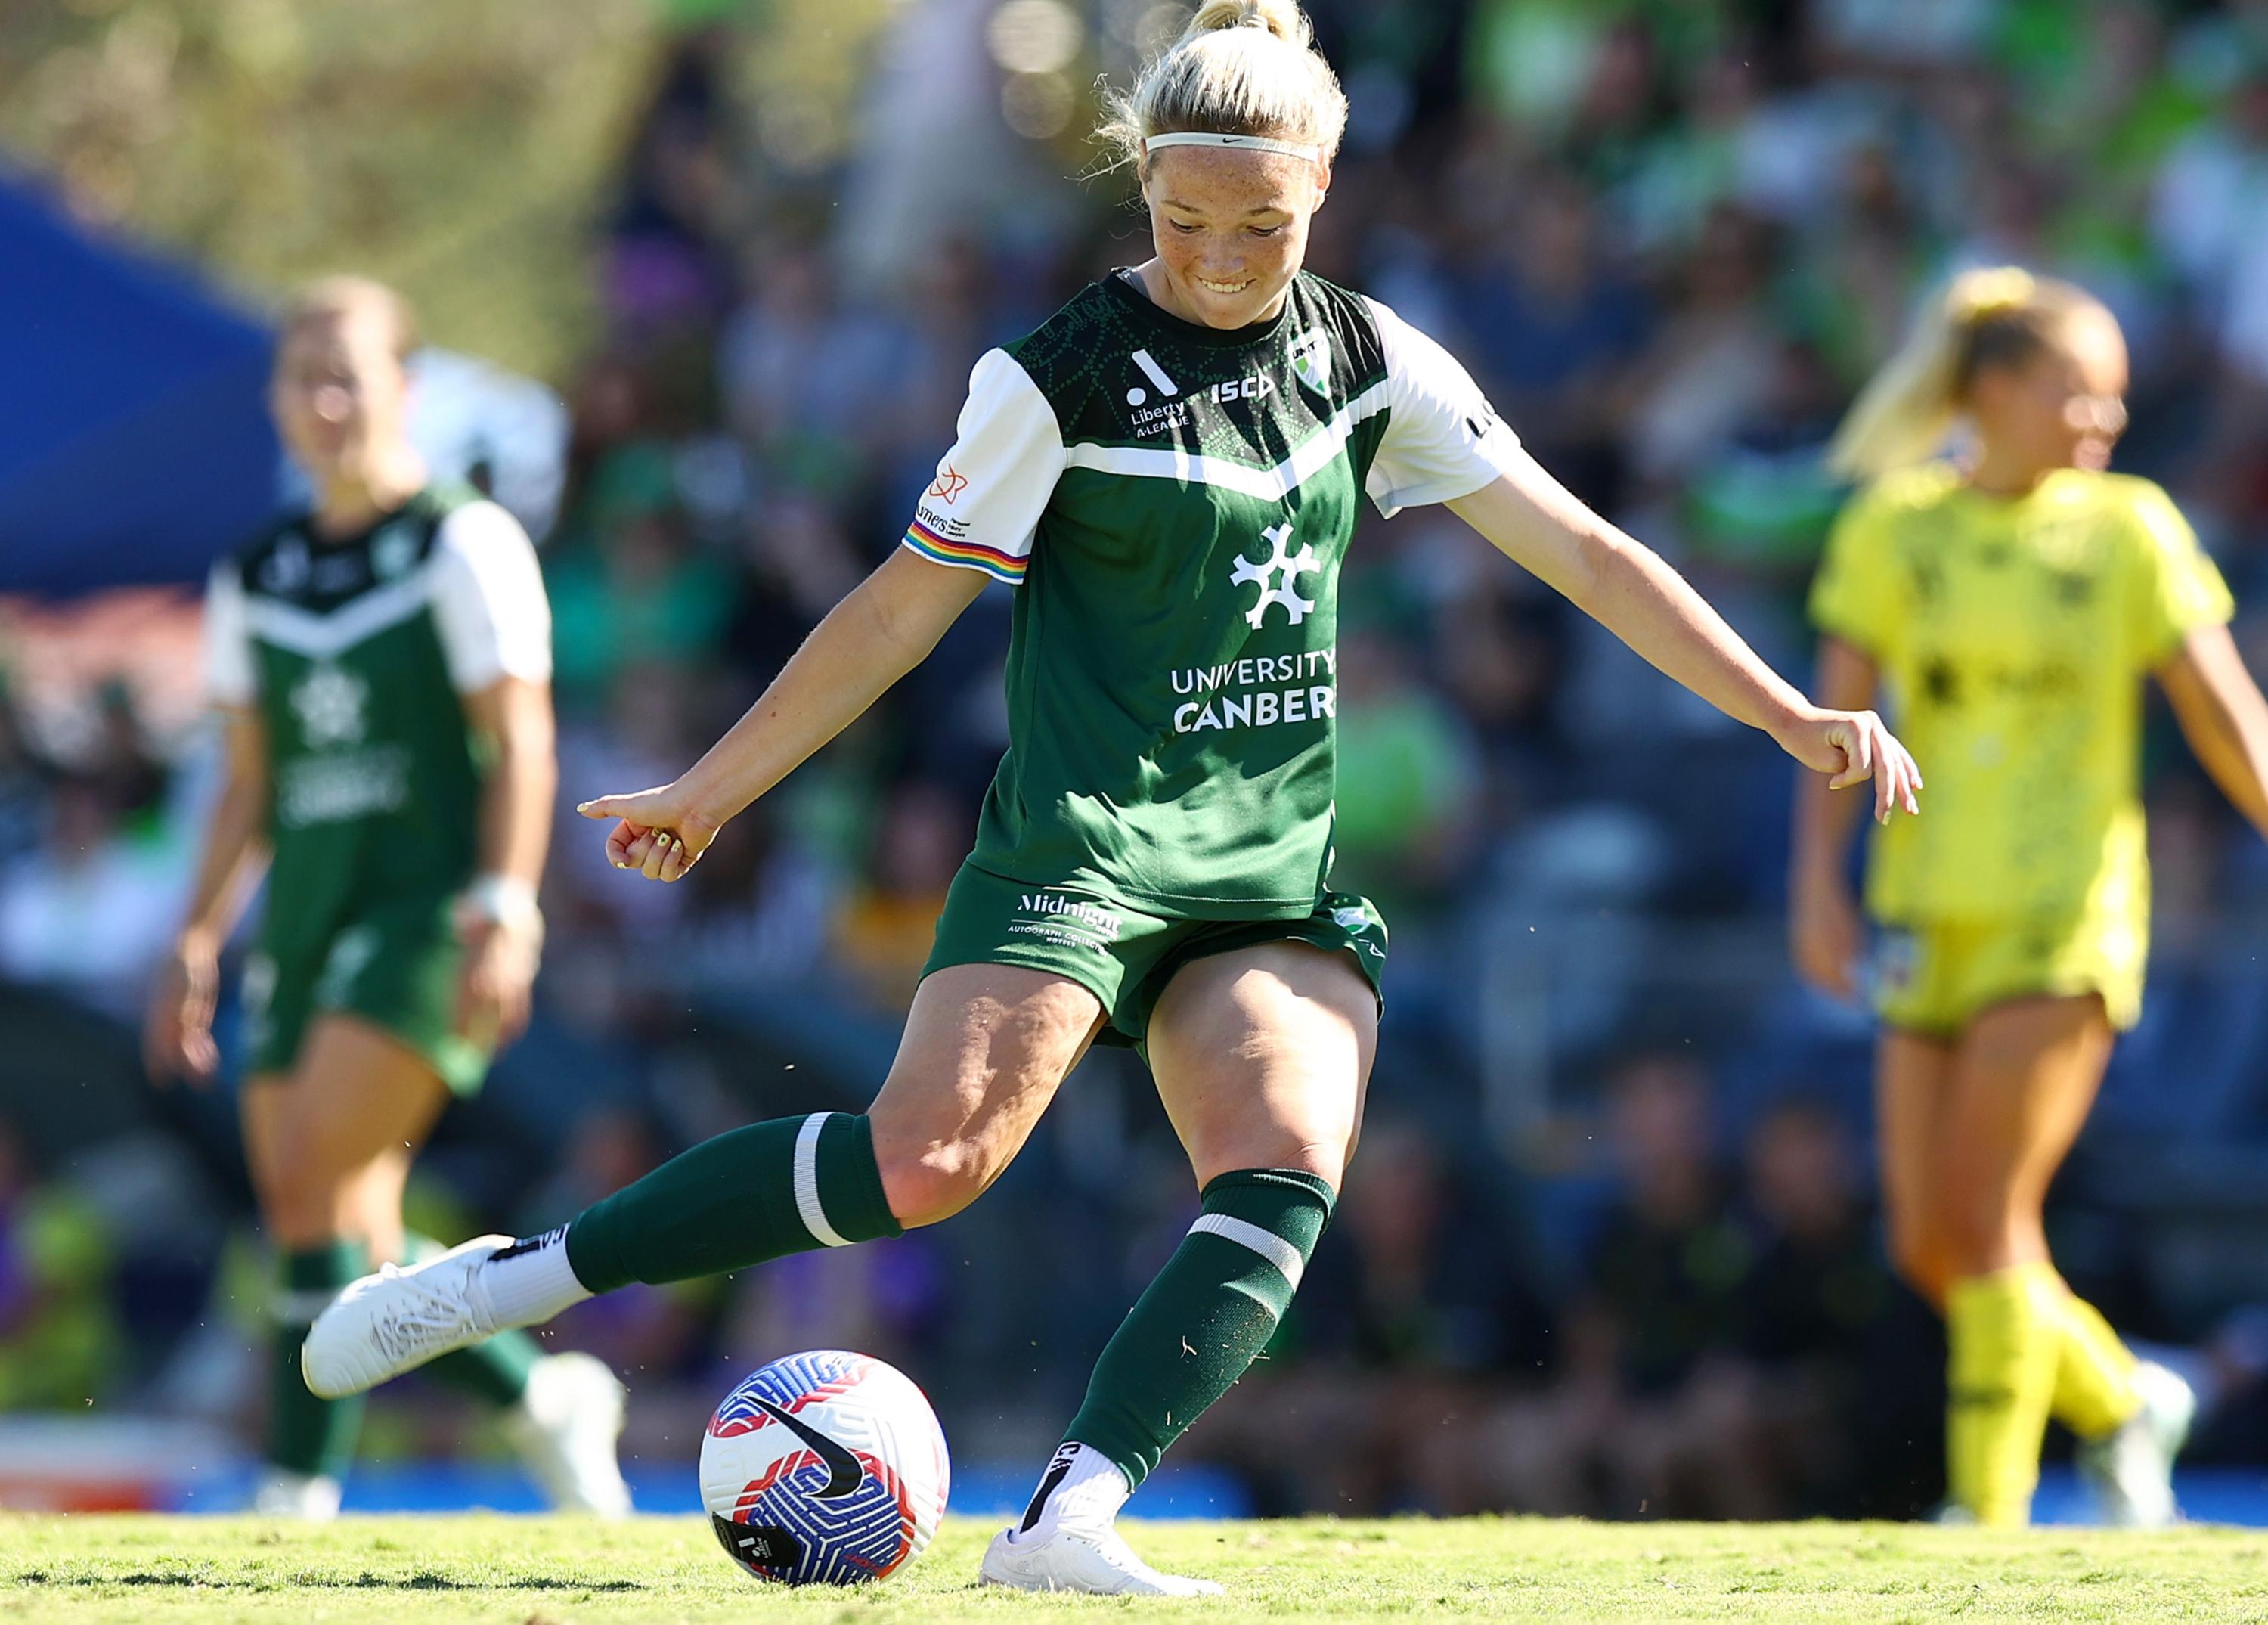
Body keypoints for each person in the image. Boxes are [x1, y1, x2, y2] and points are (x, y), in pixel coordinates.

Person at [305, 4, 1916, 1592]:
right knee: (925, 1166)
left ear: (1325, 194)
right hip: (1083, 849)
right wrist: (715, 787)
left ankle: (1065, 1517)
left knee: (1287, 1151)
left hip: (1270, 869)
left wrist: (1788, 713)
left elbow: (1586, 549)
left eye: (1262, 225)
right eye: (1184, 218)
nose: (1220, 255)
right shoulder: (1056, 373)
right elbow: (898, 605)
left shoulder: (1367, 355)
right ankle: (526, 1276)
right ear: (1141, 189)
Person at [142, 278, 630, 1519]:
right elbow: (249, 779)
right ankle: (541, 1396)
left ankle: (296, 1489)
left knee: (311, 1178)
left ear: (404, 388)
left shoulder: (461, 539)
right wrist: (196, 931)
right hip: (303, 918)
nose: (323, 402)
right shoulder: (255, 571)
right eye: (301, 377)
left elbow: (522, 740)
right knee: (340, 1230)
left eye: (348, 375)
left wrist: (508, 906)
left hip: (430, 913)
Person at [1791, 267, 2268, 1527]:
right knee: (1930, 1247)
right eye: (2080, 392)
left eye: (2115, 399)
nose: (2105, 421)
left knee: (1992, 1218)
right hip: (1922, 912)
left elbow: (2227, 723)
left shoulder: (2131, 532)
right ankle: (2124, 1400)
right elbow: (1837, 725)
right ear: (1992, 391)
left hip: (2069, 915)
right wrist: (1817, 889)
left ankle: (1986, 1522)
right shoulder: (1894, 527)